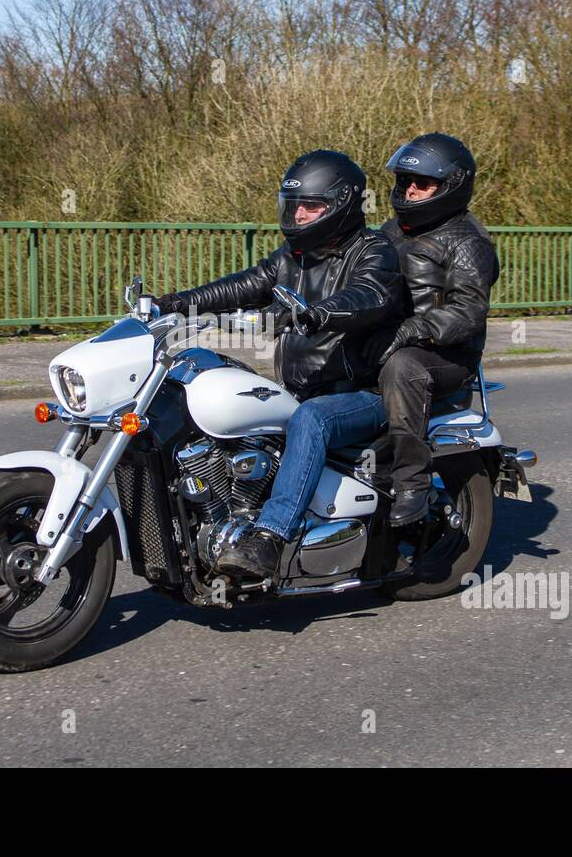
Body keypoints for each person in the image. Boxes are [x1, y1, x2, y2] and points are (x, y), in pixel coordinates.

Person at [155, 149, 403, 579]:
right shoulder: (293, 255)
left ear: (342, 204)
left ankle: (269, 538)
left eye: (311, 206)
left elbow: (369, 296)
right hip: (302, 386)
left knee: (311, 419)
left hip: (363, 391)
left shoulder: (374, 251)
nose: (300, 215)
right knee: (216, 382)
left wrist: (319, 312)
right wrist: (178, 303)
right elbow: (244, 286)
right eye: (295, 206)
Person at [376, 132, 500, 528]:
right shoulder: (390, 231)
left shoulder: (467, 240)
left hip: (444, 356)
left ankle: (412, 483)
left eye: (422, 183)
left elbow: (467, 312)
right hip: (389, 341)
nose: (410, 190)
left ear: (451, 186)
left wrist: (412, 329)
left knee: (403, 368)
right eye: (405, 182)